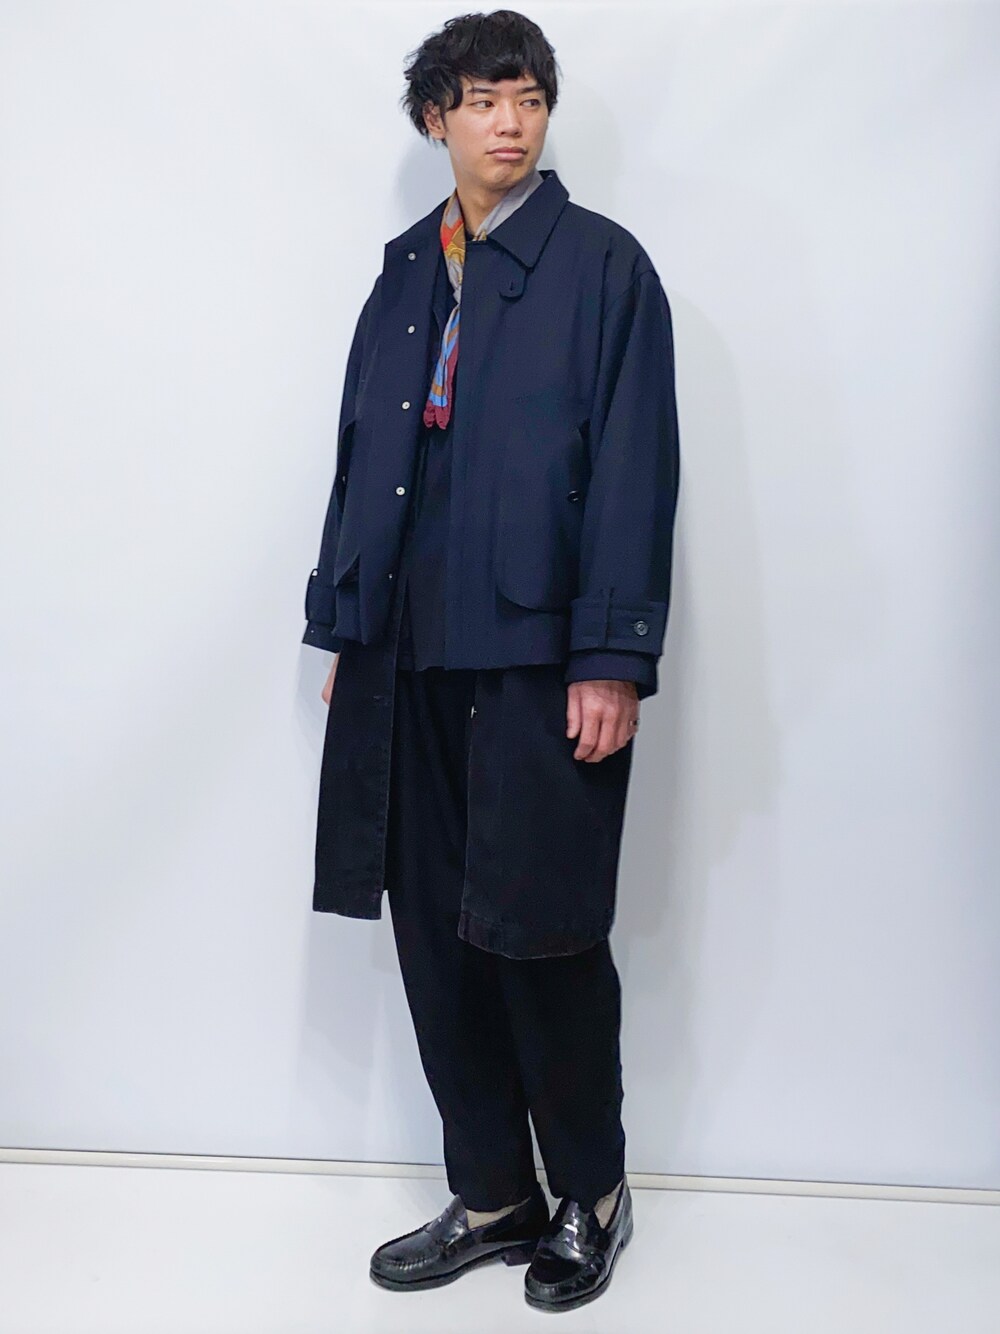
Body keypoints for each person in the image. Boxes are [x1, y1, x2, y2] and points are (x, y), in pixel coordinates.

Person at [302, 9, 680, 1313]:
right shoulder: (408, 268)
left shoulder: (604, 267)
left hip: (537, 649)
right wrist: (350, 625)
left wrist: (610, 654)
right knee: (434, 933)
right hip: (409, 648)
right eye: (481, 100)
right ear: (437, 120)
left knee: (543, 929)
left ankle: (592, 1192)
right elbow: (363, 454)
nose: (509, 122)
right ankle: (494, 1192)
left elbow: (634, 468)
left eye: (527, 98)